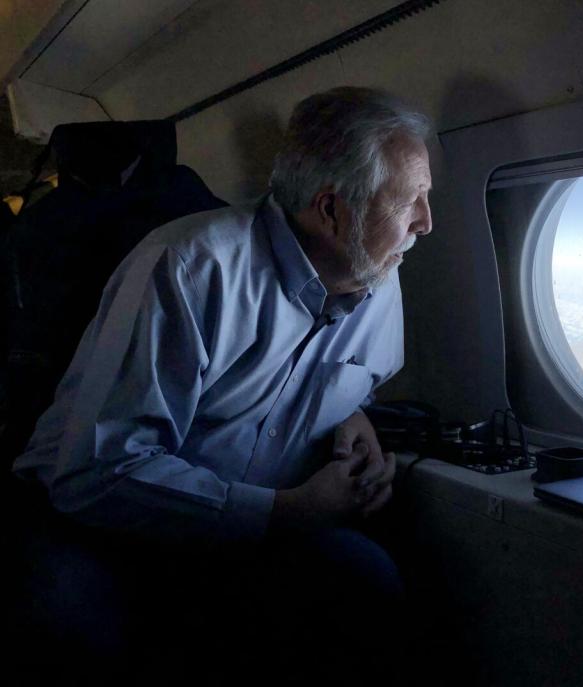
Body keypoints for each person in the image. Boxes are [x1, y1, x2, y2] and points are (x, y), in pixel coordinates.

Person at [9, 87, 433, 683]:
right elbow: (97, 474)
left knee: (369, 581)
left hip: (247, 527)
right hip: (94, 523)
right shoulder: (191, 266)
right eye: (410, 201)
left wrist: (352, 421)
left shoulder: (377, 279)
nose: (426, 223)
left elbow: (351, 383)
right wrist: (289, 511)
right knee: (71, 627)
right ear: (331, 209)